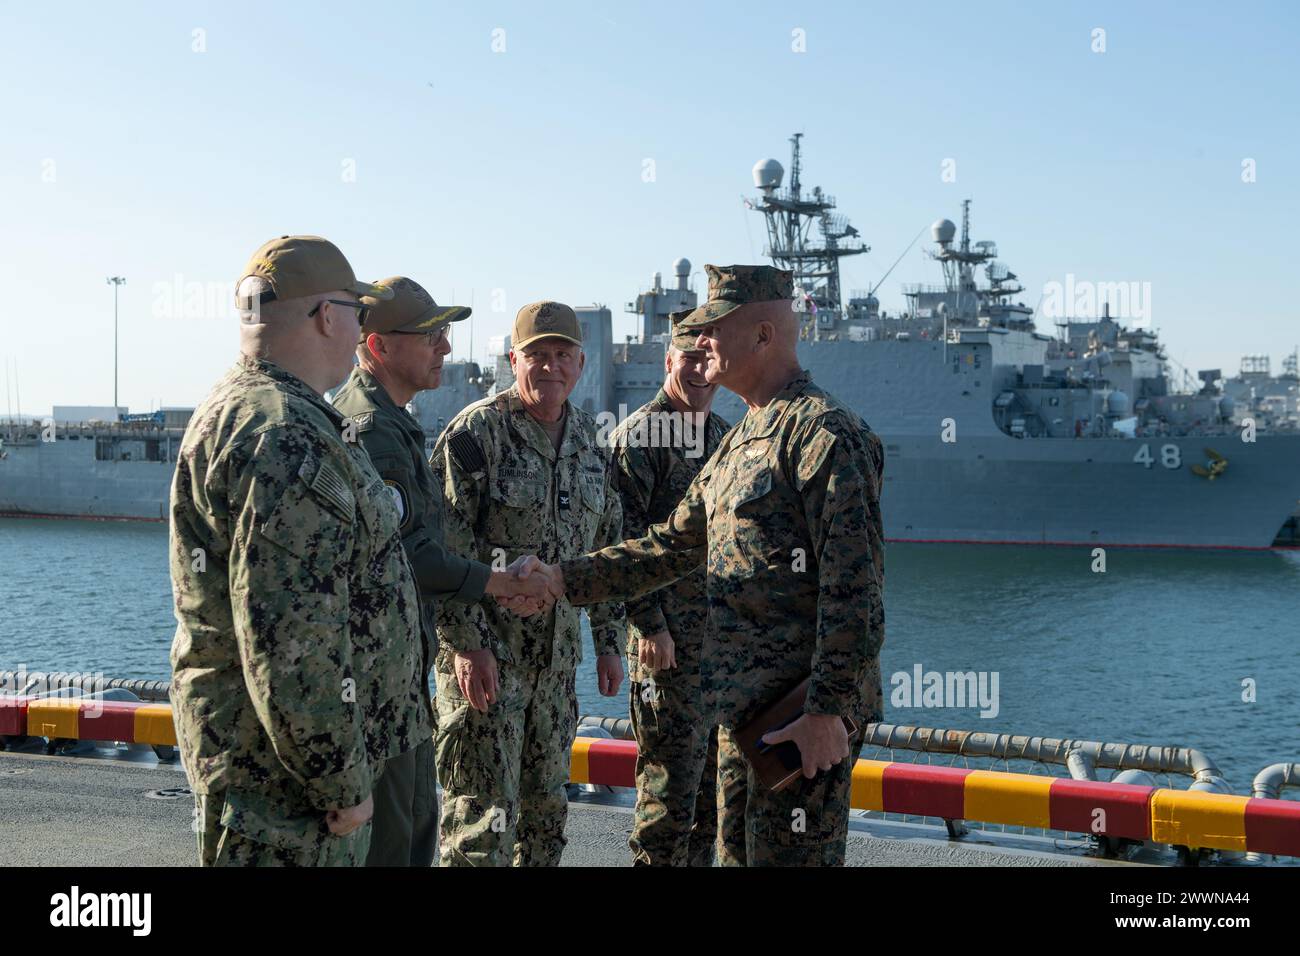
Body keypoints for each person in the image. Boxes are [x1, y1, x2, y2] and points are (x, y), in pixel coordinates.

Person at [526, 265, 886, 866]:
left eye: (715, 329)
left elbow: (858, 594)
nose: (703, 344)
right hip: (737, 718)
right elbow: (668, 546)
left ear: (764, 335)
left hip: (796, 721)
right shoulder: (741, 438)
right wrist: (562, 579)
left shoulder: (824, 435)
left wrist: (827, 711)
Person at [170, 235, 426, 866]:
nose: (359, 328)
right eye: (358, 313)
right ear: (328, 316)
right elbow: (290, 637)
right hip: (286, 798)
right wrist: (339, 780)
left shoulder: (246, 411)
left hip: (265, 771)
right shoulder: (285, 435)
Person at [330, 275, 556, 866]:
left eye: (446, 333)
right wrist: (503, 584)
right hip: (376, 691)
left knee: (414, 838)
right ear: (378, 345)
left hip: (398, 680)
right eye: (431, 334)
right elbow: (408, 553)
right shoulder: (373, 433)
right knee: (392, 847)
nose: (447, 348)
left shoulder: (395, 423)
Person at [429, 300, 627, 866]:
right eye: (537, 355)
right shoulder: (475, 437)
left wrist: (609, 644)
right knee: (479, 831)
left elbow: (604, 551)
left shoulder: (591, 441)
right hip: (487, 668)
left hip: (555, 674)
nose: (550, 367)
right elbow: (444, 552)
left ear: (581, 363)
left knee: (544, 826)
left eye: (562, 354)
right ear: (513, 359)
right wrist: (466, 646)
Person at [608, 310, 746, 866]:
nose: (697, 370)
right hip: (666, 652)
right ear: (669, 361)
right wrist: (650, 626)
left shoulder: (723, 435)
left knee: (711, 804)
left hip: (719, 652)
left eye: (705, 358)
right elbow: (622, 545)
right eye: (686, 358)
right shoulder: (639, 438)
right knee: (668, 802)